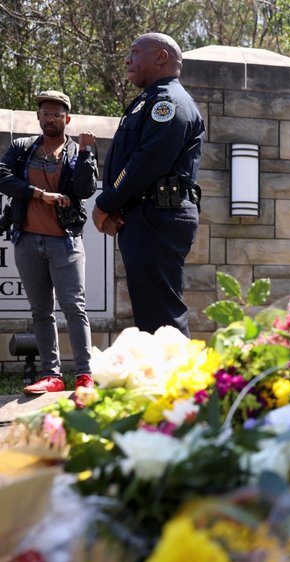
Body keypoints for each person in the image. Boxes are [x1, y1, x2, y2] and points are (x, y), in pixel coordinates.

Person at [93, 32, 204, 337]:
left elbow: (148, 160)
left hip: (157, 215)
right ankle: (160, 384)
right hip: (146, 214)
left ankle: (179, 385)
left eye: (135, 51)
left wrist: (106, 202)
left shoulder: (168, 101)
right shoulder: (149, 100)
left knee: (162, 318)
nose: (128, 59)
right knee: (151, 314)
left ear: (160, 57)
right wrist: (119, 204)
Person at [0, 90, 99, 394]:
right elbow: (2, 176)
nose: (51, 118)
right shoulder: (21, 148)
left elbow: (84, 189)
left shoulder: (75, 151)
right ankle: (51, 375)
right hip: (27, 241)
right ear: (39, 117)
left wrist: (84, 153)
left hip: (65, 243)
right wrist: (38, 194)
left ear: (67, 119)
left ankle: (84, 375)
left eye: (57, 114)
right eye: (46, 113)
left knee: (74, 308)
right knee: (41, 310)